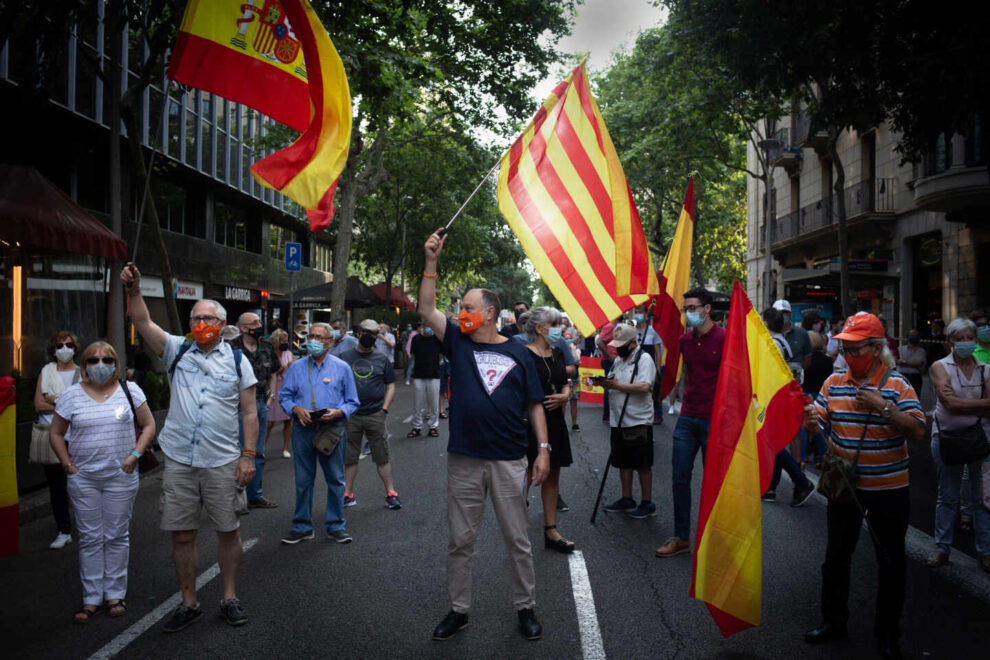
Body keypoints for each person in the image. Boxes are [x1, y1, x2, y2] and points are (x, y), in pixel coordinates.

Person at [419, 229, 549, 642]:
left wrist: (542, 450)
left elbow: (533, 404)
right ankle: (459, 610)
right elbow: (426, 309)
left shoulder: (519, 354)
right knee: (460, 541)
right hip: (464, 460)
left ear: (490, 313)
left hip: (510, 460)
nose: (461, 312)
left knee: (518, 540)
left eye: (469, 307)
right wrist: (431, 262)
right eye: (460, 307)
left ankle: (525, 608)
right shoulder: (456, 341)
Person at [121, 264, 258, 631]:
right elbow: (143, 322)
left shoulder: (238, 359)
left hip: (223, 459)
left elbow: (249, 413)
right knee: (182, 534)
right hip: (181, 459)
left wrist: (248, 456)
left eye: (207, 318)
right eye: (195, 317)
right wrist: (134, 290)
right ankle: (189, 601)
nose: (200, 323)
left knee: (228, 530)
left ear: (222, 323)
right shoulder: (176, 351)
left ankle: (229, 597)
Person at [802, 313, 925, 658]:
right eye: (844, 348)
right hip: (846, 488)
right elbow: (818, 420)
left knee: (891, 562)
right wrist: (811, 420)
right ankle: (833, 621)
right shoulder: (834, 382)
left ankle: (888, 636)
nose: (848, 354)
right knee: (836, 556)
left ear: (875, 348)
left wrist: (883, 407)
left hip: (890, 490)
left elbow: (917, 430)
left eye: (855, 348)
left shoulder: (898, 384)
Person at [48, 341, 155, 623]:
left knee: (117, 536)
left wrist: (135, 455)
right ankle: (91, 598)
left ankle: (115, 595)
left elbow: (149, 425)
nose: (100, 365)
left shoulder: (129, 391)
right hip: (83, 479)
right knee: (90, 538)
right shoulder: (71, 395)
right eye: (93, 360)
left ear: (116, 364)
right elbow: (56, 432)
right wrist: (67, 465)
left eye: (107, 360)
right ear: (84, 366)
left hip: (121, 476)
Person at [656, 288, 725, 558]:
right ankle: (682, 536)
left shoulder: (725, 337)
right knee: (679, 479)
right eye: (686, 309)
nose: (689, 313)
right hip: (687, 418)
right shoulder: (684, 341)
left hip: (714, 420)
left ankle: (716, 541)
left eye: (693, 308)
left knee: (714, 483)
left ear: (707, 309)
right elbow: (682, 373)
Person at [278, 322, 360, 544]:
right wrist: (295, 409)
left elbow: (353, 401)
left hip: (331, 431)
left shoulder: (342, 368)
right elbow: (284, 396)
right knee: (303, 480)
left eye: (319, 337)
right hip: (302, 430)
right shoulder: (296, 367)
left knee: (336, 479)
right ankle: (302, 526)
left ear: (330, 342)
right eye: (310, 336)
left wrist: (338, 413)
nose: (312, 341)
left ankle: (336, 526)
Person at [926, 317, 990, 572]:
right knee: (948, 496)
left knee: (983, 498)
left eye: (969, 338)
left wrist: (959, 403)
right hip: (947, 438)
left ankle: (985, 552)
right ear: (949, 341)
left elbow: (956, 403)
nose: (965, 343)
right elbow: (949, 404)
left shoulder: (986, 369)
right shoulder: (940, 367)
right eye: (959, 338)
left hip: (981, 439)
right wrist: (982, 405)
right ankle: (942, 548)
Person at [523, 307, 575, 552]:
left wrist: (565, 396)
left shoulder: (557, 352)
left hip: (555, 421)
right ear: (539, 328)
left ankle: (550, 530)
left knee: (553, 473)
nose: (559, 328)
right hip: (527, 422)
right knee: (524, 473)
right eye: (553, 324)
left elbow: (566, 384)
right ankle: (517, 528)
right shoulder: (523, 355)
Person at [340, 319, 401, 510]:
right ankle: (347, 494)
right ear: (358, 333)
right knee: (350, 457)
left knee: (382, 455)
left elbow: (390, 385)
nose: (369, 336)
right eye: (365, 332)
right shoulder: (344, 357)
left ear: (377, 336)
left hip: (375, 413)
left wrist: (384, 409)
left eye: (374, 333)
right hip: (351, 414)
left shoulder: (381, 359)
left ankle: (391, 493)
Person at [759, 308, 815, 507]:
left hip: (773, 399)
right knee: (774, 443)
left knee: (771, 444)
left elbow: (767, 373)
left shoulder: (773, 343)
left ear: (765, 324)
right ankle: (771, 488)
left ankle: (801, 481)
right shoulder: (782, 340)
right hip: (778, 398)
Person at [600, 324, 657, 520]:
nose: (618, 349)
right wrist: (604, 383)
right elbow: (613, 380)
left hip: (638, 420)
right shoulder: (618, 360)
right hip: (618, 420)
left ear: (633, 343)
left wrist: (618, 386)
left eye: (622, 345)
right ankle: (627, 498)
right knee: (622, 461)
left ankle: (647, 502)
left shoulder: (644, 359)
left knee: (642, 463)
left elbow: (644, 386)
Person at [31, 330, 81, 550]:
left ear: (75, 348)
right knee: (57, 487)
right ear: (53, 350)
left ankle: (85, 526)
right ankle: (64, 530)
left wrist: (55, 401)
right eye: (60, 345)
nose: (64, 349)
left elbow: (82, 405)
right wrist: (64, 404)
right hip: (52, 437)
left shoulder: (81, 373)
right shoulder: (47, 371)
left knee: (80, 485)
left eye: (69, 345)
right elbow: (38, 405)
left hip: (77, 438)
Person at [229, 312, 279, 509]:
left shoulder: (266, 346)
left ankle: (255, 495)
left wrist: (271, 396)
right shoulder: (231, 348)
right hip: (238, 407)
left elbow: (274, 371)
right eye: (254, 323)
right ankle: (235, 498)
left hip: (260, 404)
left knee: (257, 452)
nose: (259, 325)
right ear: (242, 328)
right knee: (238, 452)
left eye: (259, 322)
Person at [802, 331, 833, 467]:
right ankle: (822, 457)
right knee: (822, 429)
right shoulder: (827, 361)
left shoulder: (806, 361)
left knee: (804, 428)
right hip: (822, 394)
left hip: (807, 395)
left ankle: (802, 458)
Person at [633, 305, 664, 425]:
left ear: (646, 314)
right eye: (636, 312)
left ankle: (657, 414)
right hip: (636, 366)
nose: (637, 314)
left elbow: (658, 352)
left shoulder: (652, 331)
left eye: (640, 312)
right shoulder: (632, 331)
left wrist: (658, 368)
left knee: (654, 391)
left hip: (650, 367)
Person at [266, 329, 295, 459]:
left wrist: (292, 365)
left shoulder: (288, 353)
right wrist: (279, 370)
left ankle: (285, 448)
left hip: (286, 388)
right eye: (283, 340)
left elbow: (295, 367)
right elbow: (266, 372)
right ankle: (262, 448)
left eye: (286, 340)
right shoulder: (268, 354)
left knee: (288, 420)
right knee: (269, 422)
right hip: (273, 389)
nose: (285, 343)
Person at [773, 299, 812, 382]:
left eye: (785, 312)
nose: (783, 316)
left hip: (795, 382)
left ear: (791, 314)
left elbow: (807, 359)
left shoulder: (802, 333)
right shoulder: (768, 335)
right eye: (779, 313)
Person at [896, 329, 927, 395]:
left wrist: (903, 362)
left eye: (916, 336)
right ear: (907, 337)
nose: (914, 337)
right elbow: (897, 361)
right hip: (902, 376)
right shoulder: (900, 349)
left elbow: (919, 363)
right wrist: (913, 363)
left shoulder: (921, 351)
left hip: (915, 378)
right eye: (912, 335)